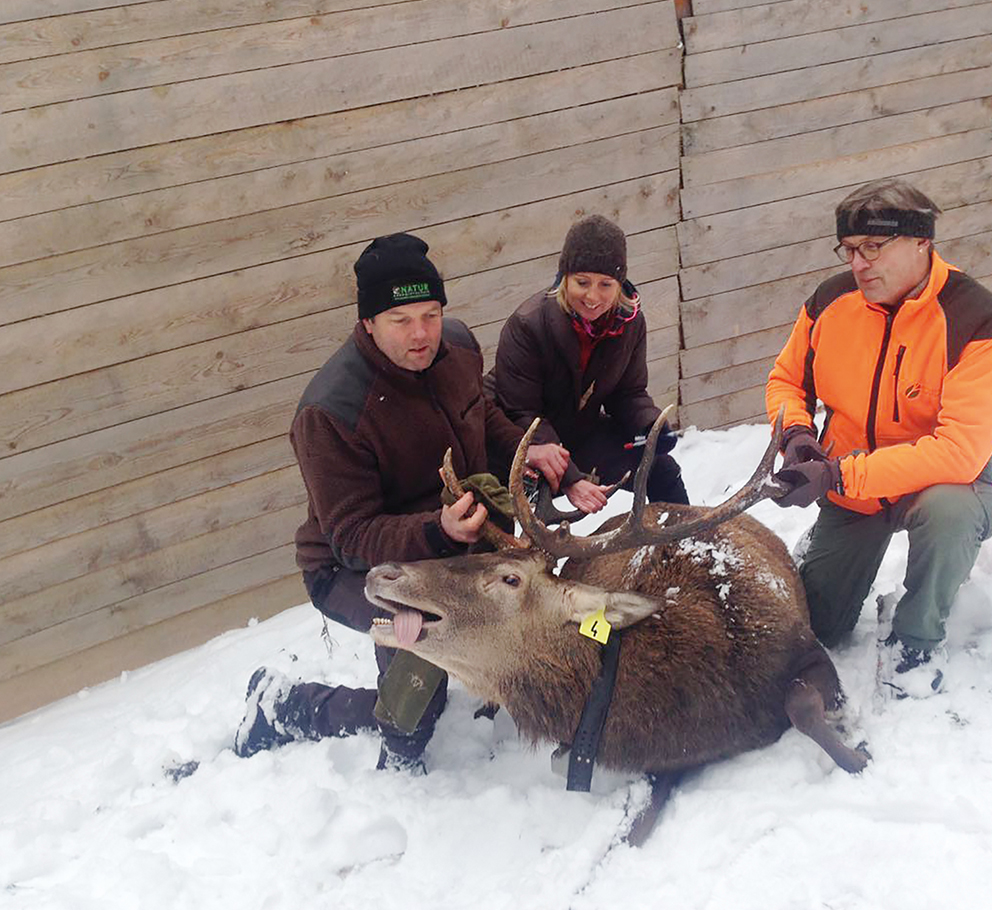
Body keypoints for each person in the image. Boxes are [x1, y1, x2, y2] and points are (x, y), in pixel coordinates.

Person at [233, 232, 569, 767]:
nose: (422, 334)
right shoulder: (331, 413)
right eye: (401, 319)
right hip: (359, 568)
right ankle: (284, 705)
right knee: (412, 712)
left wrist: (532, 452)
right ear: (368, 322)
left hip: (457, 535)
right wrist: (436, 531)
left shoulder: (456, 347)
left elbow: (483, 418)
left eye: (431, 314)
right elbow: (350, 535)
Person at [765, 178, 992, 696]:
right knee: (821, 631)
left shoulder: (979, 320)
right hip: (854, 493)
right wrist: (796, 435)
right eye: (851, 249)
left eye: (874, 248)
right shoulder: (831, 302)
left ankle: (916, 639)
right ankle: (826, 553)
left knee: (949, 513)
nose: (859, 264)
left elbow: (959, 452)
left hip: (941, 487)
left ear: (922, 243)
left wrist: (838, 472)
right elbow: (788, 380)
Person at [485, 215, 689, 513]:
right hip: (522, 443)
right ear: (564, 277)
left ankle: (688, 545)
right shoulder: (528, 324)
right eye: (582, 282)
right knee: (519, 508)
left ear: (620, 285)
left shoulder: (630, 323)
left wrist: (650, 426)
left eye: (605, 284)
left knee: (661, 470)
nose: (593, 297)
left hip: (577, 434)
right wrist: (571, 478)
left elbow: (628, 392)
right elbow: (521, 412)